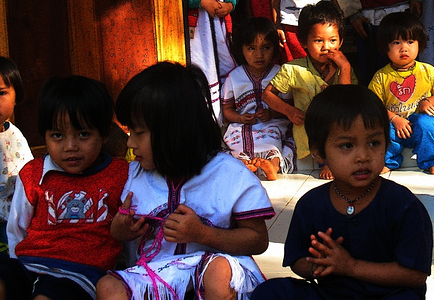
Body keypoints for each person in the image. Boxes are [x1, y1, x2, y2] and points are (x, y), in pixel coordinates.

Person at [95, 62, 273, 300]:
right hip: (157, 277)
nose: (130, 144)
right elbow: (115, 237)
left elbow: (258, 240)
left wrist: (203, 235)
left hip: (214, 270)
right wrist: (120, 230)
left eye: (139, 133)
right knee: (107, 287)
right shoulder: (132, 176)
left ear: (174, 132)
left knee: (218, 274)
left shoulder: (229, 175)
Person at [251, 84, 433, 300]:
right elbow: (297, 260)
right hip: (332, 295)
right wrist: (320, 264)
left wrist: (350, 266)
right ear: (319, 152)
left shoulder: (403, 205)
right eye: (347, 145)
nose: (363, 156)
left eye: (374, 143)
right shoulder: (311, 205)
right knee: (271, 293)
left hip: (388, 295)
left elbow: (415, 275)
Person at [1, 76, 128, 300]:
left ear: (105, 133)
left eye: (83, 134)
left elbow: (129, 231)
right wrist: (15, 267)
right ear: (45, 136)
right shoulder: (33, 173)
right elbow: (16, 228)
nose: (70, 147)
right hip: (28, 262)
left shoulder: (120, 175)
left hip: (82, 272)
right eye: (57, 136)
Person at [262, 1, 356, 181]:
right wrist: (289, 111)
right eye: (318, 40)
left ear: (341, 41)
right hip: (308, 126)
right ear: (304, 42)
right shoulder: (293, 69)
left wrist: (344, 67)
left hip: (338, 121)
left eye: (333, 40)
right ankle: (324, 162)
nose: (326, 47)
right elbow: (267, 95)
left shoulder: (344, 66)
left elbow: (347, 100)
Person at [369, 12, 434, 175]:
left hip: (419, 123)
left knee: (426, 124)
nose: (404, 48)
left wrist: (429, 102)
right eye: (396, 42)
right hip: (394, 124)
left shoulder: (427, 71)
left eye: (410, 41)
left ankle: (433, 160)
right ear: (386, 47)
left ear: (420, 44)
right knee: (383, 130)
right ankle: (388, 161)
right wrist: (394, 119)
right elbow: (373, 106)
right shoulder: (381, 76)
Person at [222, 17, 296, 180]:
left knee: (273, 141)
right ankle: (243, 165)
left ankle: (273, 166)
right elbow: (226, 110)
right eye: (251, 48)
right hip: (242, 126)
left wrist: (272, 115)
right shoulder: (234, 77)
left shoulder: (280, 73)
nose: (259, 55)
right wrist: (240, 118)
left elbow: (289, 110)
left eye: (266, 47)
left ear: (275, 48)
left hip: (273, 124)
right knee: (234, 140)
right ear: (241, 49)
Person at [0, 57, 32, 258]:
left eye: (2, 93)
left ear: (16, 96)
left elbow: (29, 175)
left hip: (18, 221)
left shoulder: (15, 135)